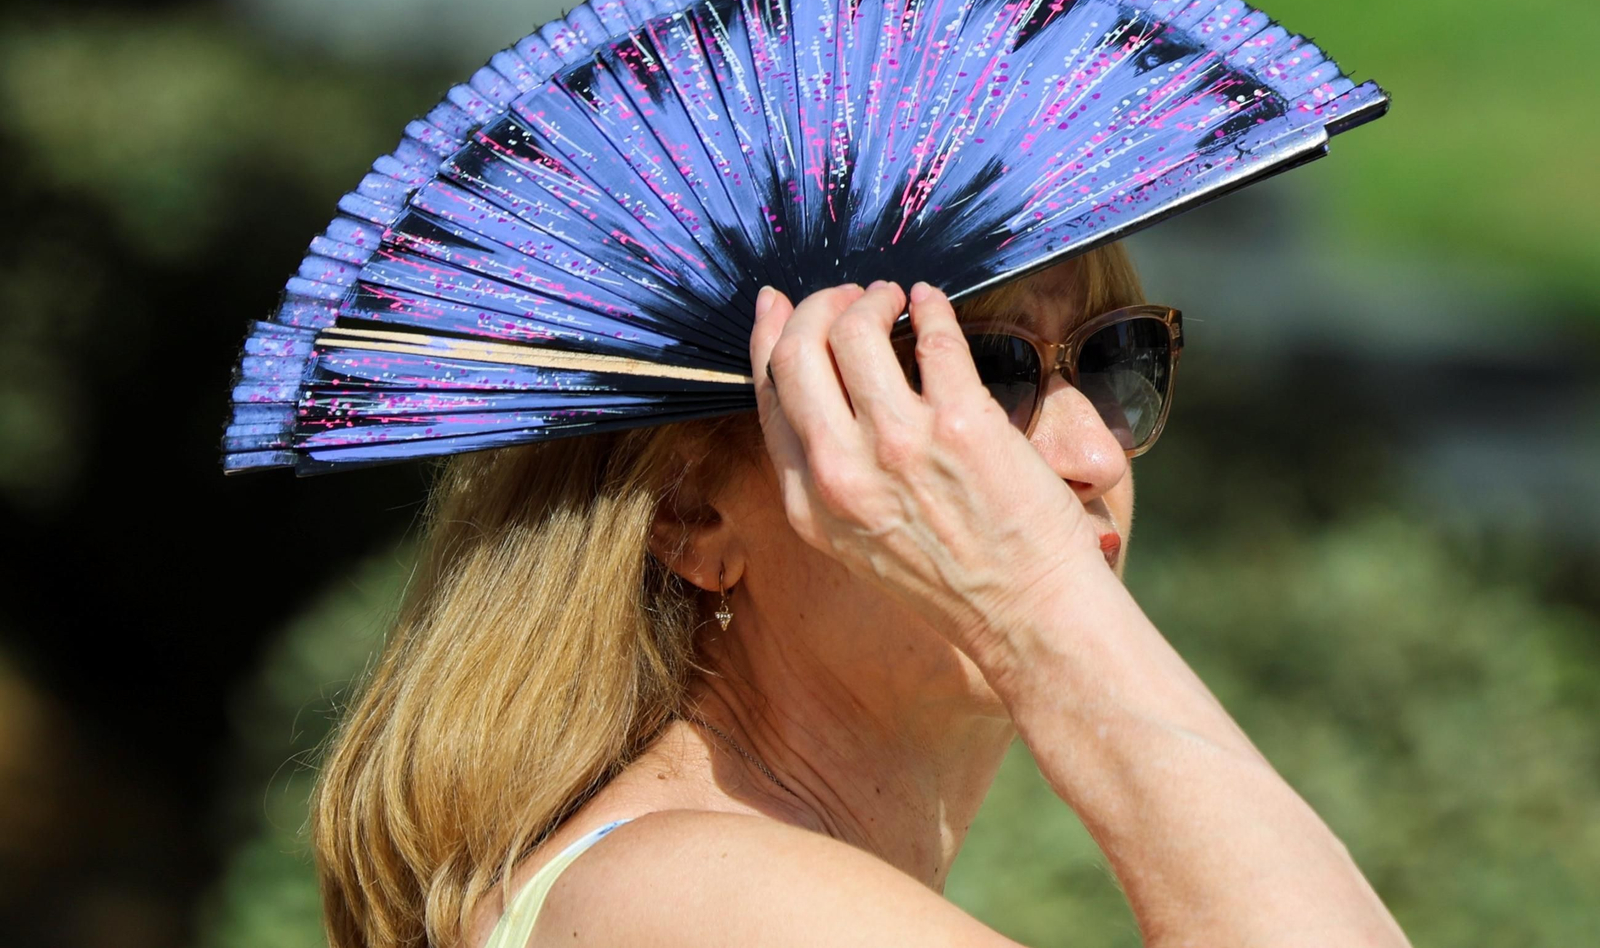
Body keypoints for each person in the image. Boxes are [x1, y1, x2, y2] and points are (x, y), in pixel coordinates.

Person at [309, 242, 1411, 948]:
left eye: (1115, 360)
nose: (1091, 454)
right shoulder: (699, 902)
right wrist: (1036, 597)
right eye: (972, 376)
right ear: (692, 514)